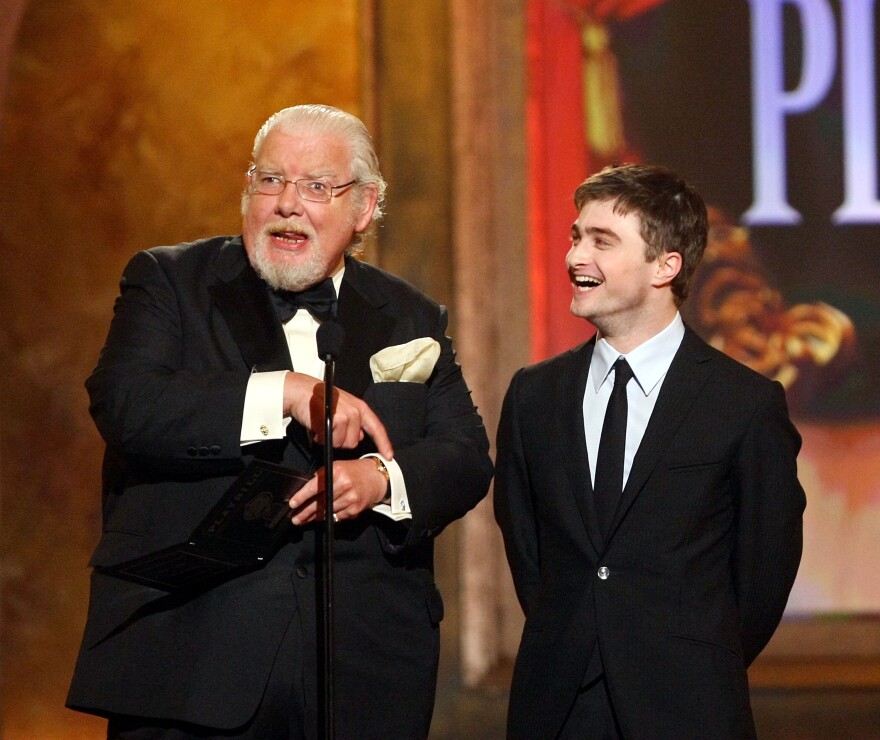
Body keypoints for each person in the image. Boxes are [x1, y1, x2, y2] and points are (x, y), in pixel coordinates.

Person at [67, 104, 493, 739]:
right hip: (191, 666)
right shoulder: (169, 282)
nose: (287, 203)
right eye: (269, 180)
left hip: (362, 677)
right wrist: (285, 393)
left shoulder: (410, 315)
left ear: (365, 207)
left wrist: (381, 479)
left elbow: (465, 455)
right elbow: (127, 403)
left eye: (317, 187)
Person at [494, 163, 805, 739]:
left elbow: (764, 573)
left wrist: (691, 657)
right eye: (576, 236)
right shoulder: (534, 396)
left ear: (666, 266)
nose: (575, 257)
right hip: (558, 707)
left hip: (689, 708)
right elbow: (529, 550)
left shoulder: (744, 404)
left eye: (602, 241)